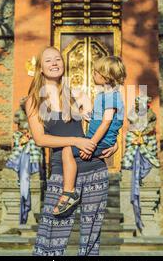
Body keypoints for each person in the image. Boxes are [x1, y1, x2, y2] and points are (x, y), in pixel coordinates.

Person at [25, 46, 117, 256]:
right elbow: (40, 139)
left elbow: (97, 126)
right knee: (51, 233)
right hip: (62, 172)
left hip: (94, 168)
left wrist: (114, 143)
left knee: (91, 236)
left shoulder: (78, 95)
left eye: (57, 59)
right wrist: (74, 140)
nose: (54, 63)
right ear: (40, 68)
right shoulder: (34, 100)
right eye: (48, 60)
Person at [53, 56, 126, 217]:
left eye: (95, 72)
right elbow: (101, 118)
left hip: (99, 142)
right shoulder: (103, 95)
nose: (93, 74)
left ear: (105, 76)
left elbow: (106, 123)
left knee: (66, 150)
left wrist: (91, 144)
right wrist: (85, 115)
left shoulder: (112, 97)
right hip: (98, 140)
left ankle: (69, 192)